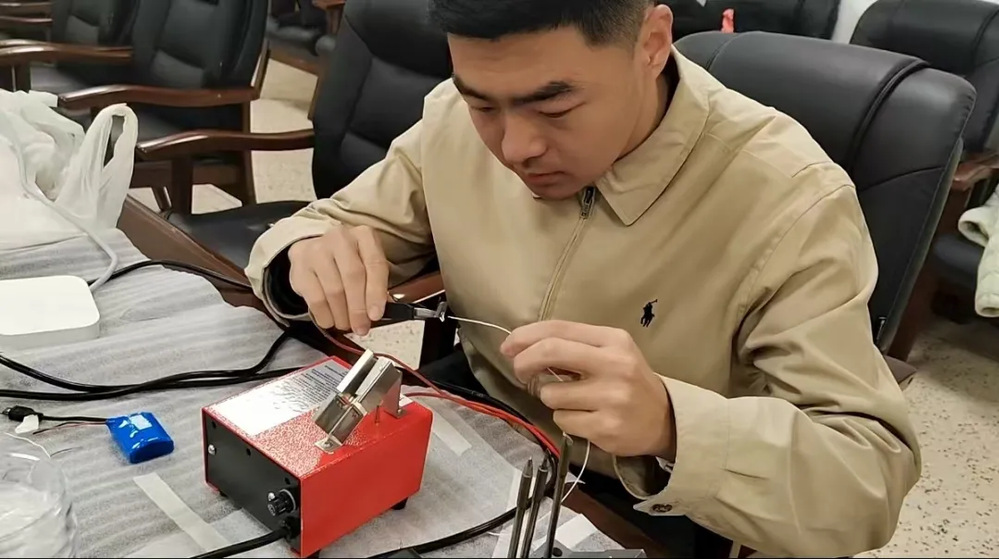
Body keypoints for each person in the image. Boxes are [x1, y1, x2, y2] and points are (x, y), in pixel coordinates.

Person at [245, 0, 920, 556]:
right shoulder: (454, 115)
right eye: (484, 105)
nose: (514, 148)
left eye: (555, 107)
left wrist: (670, 423)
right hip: (472, 421)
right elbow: (329, 224)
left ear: (651, 43)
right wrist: (305, 254)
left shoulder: (790, 200)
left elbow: (867, 478)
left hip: (647, 498)